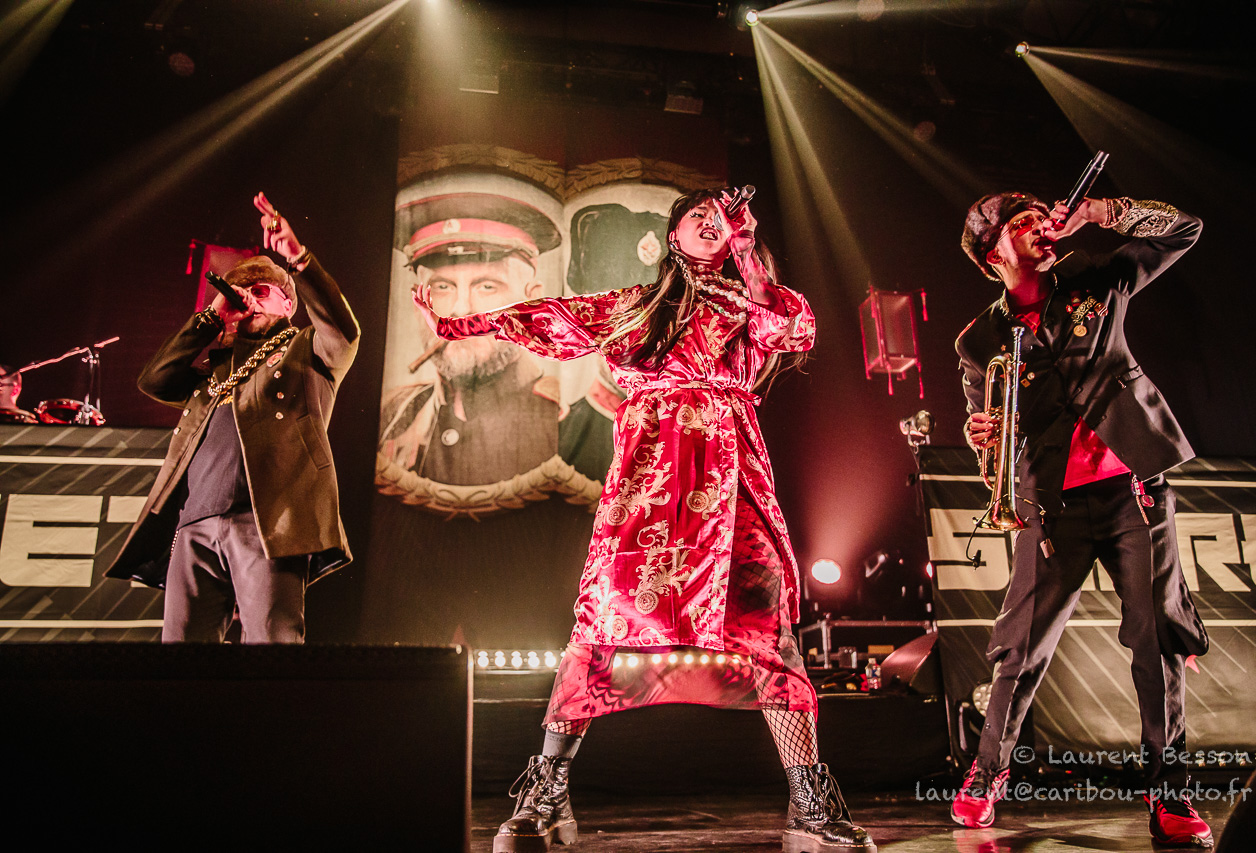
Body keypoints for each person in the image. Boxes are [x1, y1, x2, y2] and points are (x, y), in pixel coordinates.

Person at [419, 188, 874, 853]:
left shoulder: (750, 302)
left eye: (722, 217)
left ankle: (809, 803)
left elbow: (793, 328)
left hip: (732, 481)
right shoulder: (636, 306)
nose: (712, 222)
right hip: (649, 484)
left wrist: (747, 249)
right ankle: (546, 791)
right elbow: (552, 316)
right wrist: (460, 325)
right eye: (698, 215)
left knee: (765, 624)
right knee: (602, 622)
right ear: (673, 236)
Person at [952, 191, 1211, 846]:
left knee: (1158, 639)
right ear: (991, 255)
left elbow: (1183, 228)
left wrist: (1102, 212)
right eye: (1021, 223)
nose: (1040, 225)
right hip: (1050, 504)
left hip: (1133, 489)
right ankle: (986, 774)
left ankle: (1170, 792)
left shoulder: (1097, 279)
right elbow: (986, 433)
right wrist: (982, 434)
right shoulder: (978, 340)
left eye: (1041, 214)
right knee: (1019, 647)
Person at [106, 193, 360, 643]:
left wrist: (299, 259)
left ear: (288, 304)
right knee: (180, 658)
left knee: (269, 645)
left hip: (268, 522)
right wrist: (211, 317)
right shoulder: (213, 373)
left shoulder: (305, 352)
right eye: (243, 293)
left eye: (262, 292)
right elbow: (154, 381)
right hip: (195, 525)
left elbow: (344, 330)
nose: (250, 300)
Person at [380, 193, 561, 489]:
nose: (460, 309)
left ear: (533, 303)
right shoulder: (393, 414)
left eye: (487, 286)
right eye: (441, 286)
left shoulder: (562, 419)